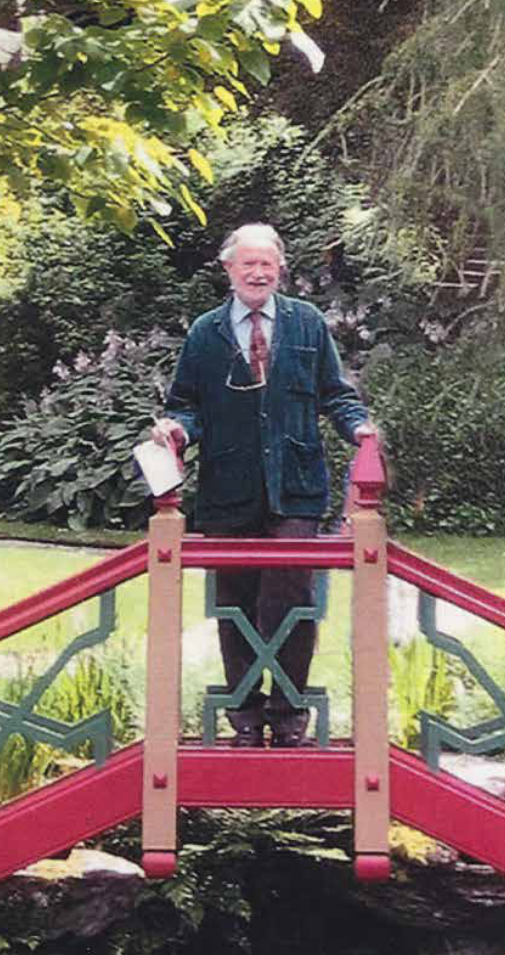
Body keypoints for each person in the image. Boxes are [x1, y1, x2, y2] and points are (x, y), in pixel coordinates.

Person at [150, 222, 377, 747]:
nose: (258, 272)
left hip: (295, 486)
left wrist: (359, 428)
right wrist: (178, 427)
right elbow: (186, 402)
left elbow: (336, 395)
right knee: (235, 604)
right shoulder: (207, 331)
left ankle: (290, 713)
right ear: (229, 269)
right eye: (247, 263)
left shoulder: (307, 323)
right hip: (228, 488)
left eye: (267, 264)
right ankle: (245, 716)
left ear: (280, 269)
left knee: (291, 597)